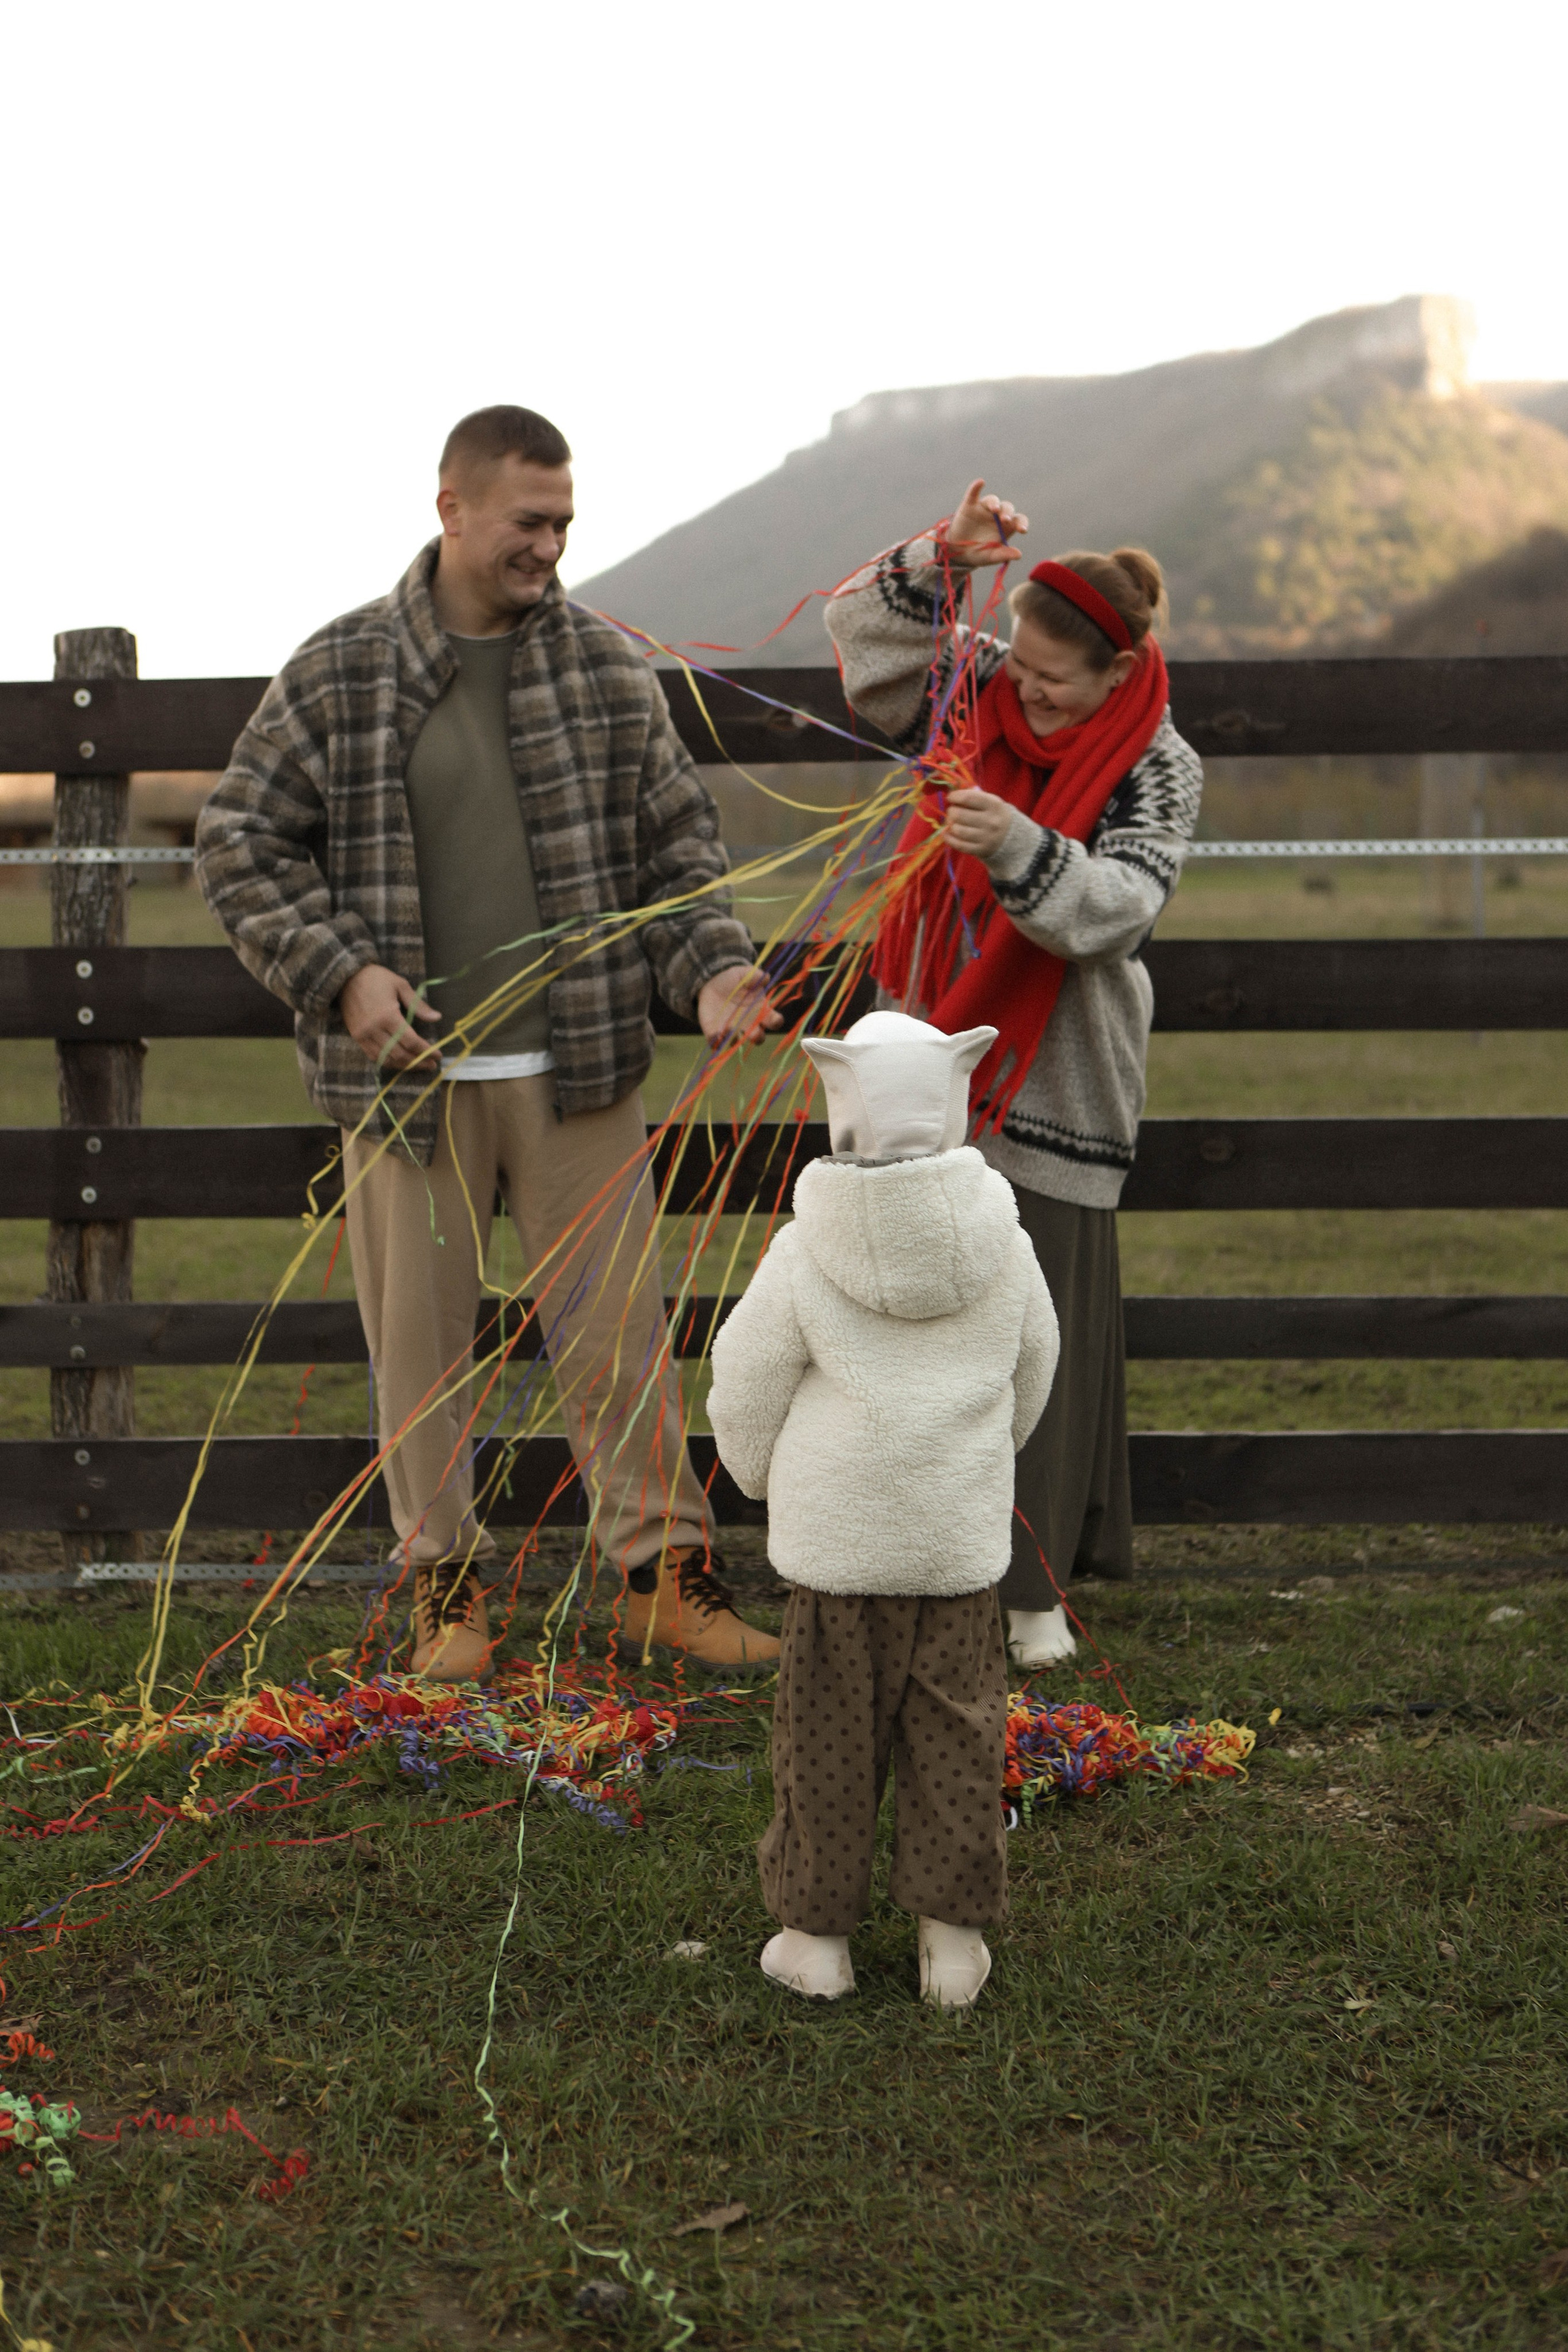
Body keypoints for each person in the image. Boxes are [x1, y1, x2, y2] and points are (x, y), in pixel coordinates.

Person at [195, 404, 783, 1680]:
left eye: (563, 522)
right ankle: (446, 1597)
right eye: (528, 521)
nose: (549, 545)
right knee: (419, 1356)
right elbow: (236, 842)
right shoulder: (340, 670)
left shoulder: (604, 667)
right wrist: (342, 976)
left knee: (620, 1337)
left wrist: (718, 974)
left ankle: (661, 1583)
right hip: (406, 1090)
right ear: (451, 508)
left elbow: (676, 855)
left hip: (581, 1071)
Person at [825, 480, 1204, 1670]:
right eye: (1019, 668)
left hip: (1059, 1089)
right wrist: (943, 555)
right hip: (927, 1062)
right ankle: (909, 1561)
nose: (1023, 691)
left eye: (1051, 682)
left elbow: (1118, 911)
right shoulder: (981, 682)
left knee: (1036, 1337)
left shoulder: (1161, 764)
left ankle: (1030, 1591)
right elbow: (862, 638)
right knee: (918, 1323)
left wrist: (1023, 850)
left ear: (1115, 672)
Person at [707, 1012, 1058, 2008]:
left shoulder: (803, 1249)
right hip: (953, 1547)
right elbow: (1037, 1366)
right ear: (952, 1097)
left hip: (837, 1554)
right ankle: (952, 1944)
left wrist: (760, 1477)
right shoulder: (1007, 1239)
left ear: (841, 1100)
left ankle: (815, 1940)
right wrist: (986, 1458)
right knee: (957, 1735)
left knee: (825, 1740)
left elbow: (745, 1377)